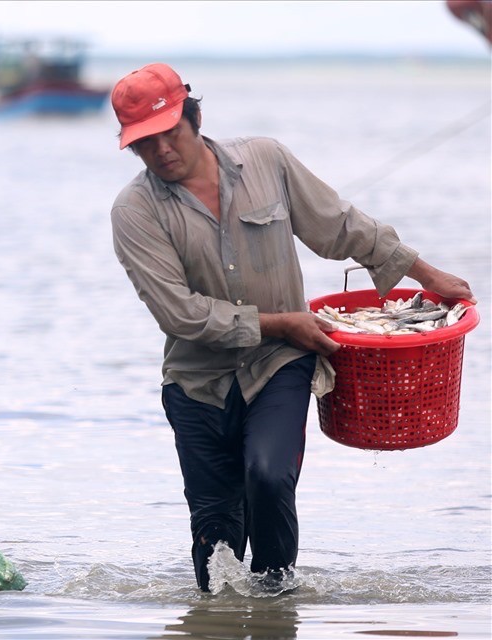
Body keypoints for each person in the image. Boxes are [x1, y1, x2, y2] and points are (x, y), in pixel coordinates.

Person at [108, 63, 475, 592]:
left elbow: (340, 226)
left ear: (196, 117)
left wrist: (427, 273)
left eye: (171, 133)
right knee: (216, 536)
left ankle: (279, 604)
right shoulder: (135, 210)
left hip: (279, 362)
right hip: (196, 384)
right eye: (145, 144)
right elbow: (179, 314)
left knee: (267, 475)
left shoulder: (266, 159)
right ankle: (219, 619)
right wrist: (285, 321)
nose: (162, 150)